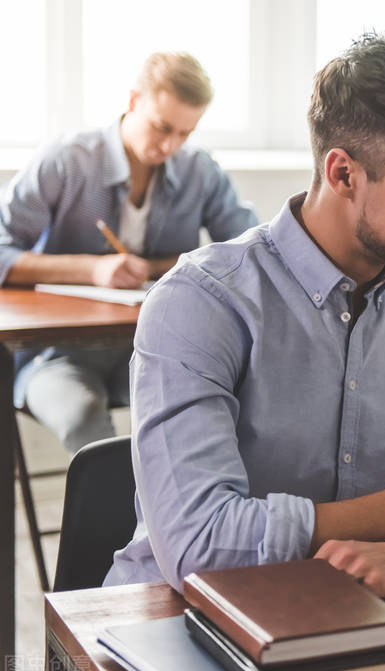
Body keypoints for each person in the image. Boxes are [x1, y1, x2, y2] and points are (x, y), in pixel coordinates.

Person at [104, 34, 385, 596]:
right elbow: (201, 544)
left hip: (355, 606)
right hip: (176, 614)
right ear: (343, 174)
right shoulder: (199, 302)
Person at [0, 52, 258, 454]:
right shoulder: (67, 160)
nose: (170, 145)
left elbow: (249, 251)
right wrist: (93, 270)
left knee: (213, 404)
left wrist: (153, 267)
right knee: (82, 414)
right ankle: (119, 500)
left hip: (159, 346)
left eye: (186, 133)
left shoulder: (199, 170)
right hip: (56, 355)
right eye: (162, 127)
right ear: (134, 100)